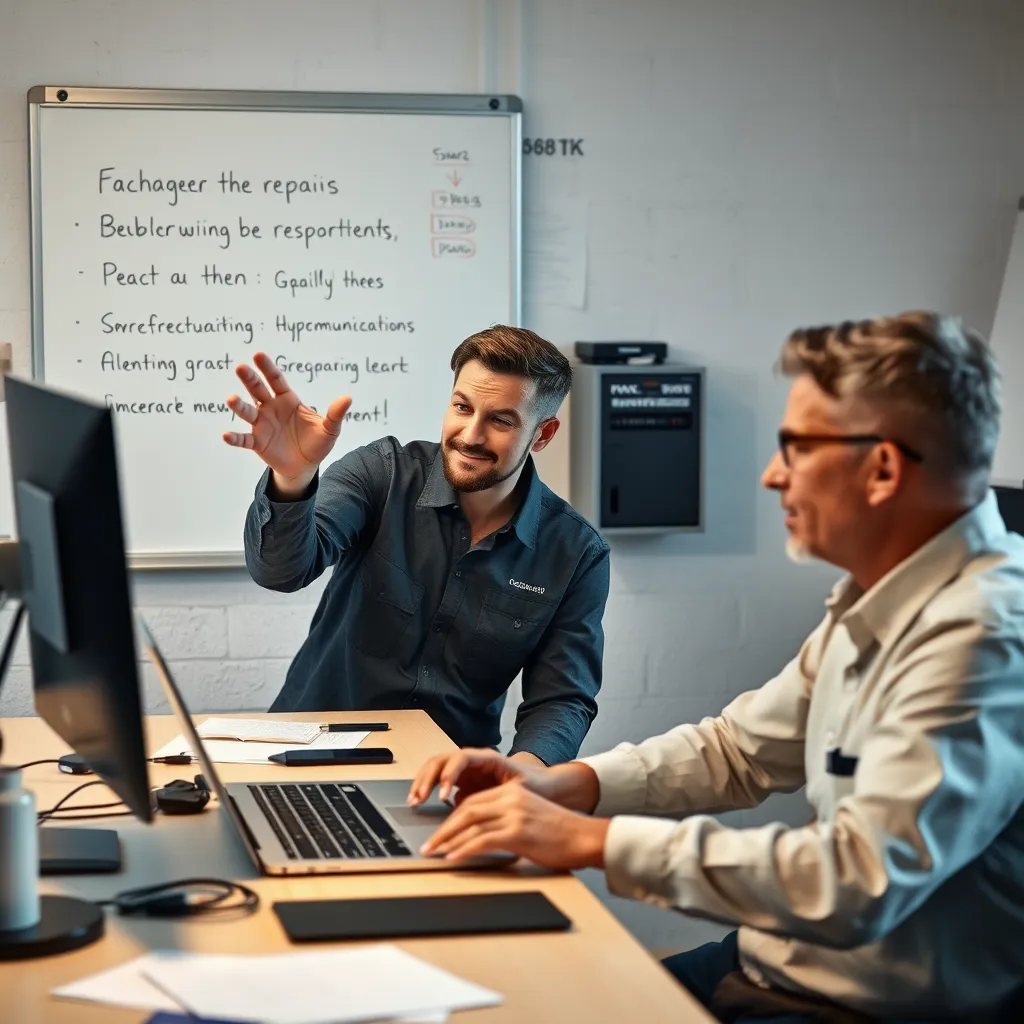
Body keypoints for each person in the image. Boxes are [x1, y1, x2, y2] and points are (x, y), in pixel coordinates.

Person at [409, 311, 1024, 1022]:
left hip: (861, 1006)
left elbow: (857, 882)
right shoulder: (881, 595)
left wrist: (595, 842)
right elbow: (736, 752)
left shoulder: (984, 637)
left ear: (882, 468)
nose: (771, 475)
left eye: (795, 448)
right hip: (775, 960)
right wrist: (560, 786)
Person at [224, 326, 610, 767]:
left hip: (449, 774)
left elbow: (562, 697)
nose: (471, 434)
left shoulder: (577, 553)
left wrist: (524, 771)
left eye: (501, 420)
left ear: (542, 435)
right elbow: (282, 571)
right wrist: (292, 479)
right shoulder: (382, 473)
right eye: (462, 407)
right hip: (308, 754)